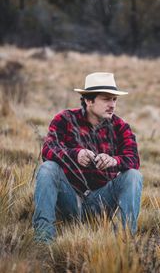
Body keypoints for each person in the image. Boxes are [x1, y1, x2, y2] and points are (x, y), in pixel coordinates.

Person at [33, 72, 143, 242]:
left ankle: (124, 242)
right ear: (88, 100)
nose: (112, 105)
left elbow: (134, 159)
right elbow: (48, 149)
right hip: (68, 199)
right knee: (48, 168)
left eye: (114, 99)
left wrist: (114, 161)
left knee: (134, 175)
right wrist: (74, 155)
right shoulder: (65, 119)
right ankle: (43, 238)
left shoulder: (120, 127)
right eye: (106, 99)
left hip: (101, 202)